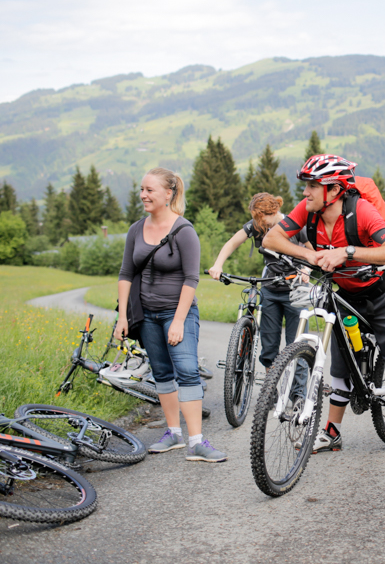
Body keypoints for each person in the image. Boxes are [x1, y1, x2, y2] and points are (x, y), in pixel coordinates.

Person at [262, 153, 385, 465]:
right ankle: (332, 432)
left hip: (381, 294)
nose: (305, 192)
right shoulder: (308, 211)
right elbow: (273, 237)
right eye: (306, 186)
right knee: (339, 367)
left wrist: (346, 252)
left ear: (335, 190)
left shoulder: (361, 212)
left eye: (313, 185)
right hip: (346, 294)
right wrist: (309, 257)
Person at [116, 167, 226, 463]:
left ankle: (197, 441)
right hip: (146, 314)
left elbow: (191, 279)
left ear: (169, 193)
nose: (143, 195)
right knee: (161, 373)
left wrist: (177, 321)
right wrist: (123, 317)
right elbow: (126, 273)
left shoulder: (184, 231)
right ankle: (173, 434)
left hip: (178, 313)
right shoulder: (136, 229)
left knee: (187, 370)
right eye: (142, 189)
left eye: (150, 190)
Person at [208, 192, 308, 374]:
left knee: (297, 347)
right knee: (269, 348)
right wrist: (218, 264)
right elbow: (232, 243)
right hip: (270, 289)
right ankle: (270, 394)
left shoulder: (294, 225)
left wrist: (307, 270)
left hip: (296, 290)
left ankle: (298, 396)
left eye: (265, 218)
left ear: (275, 210)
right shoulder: (259, 226)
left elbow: (314, 251)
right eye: (258, 219)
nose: (262, 224)